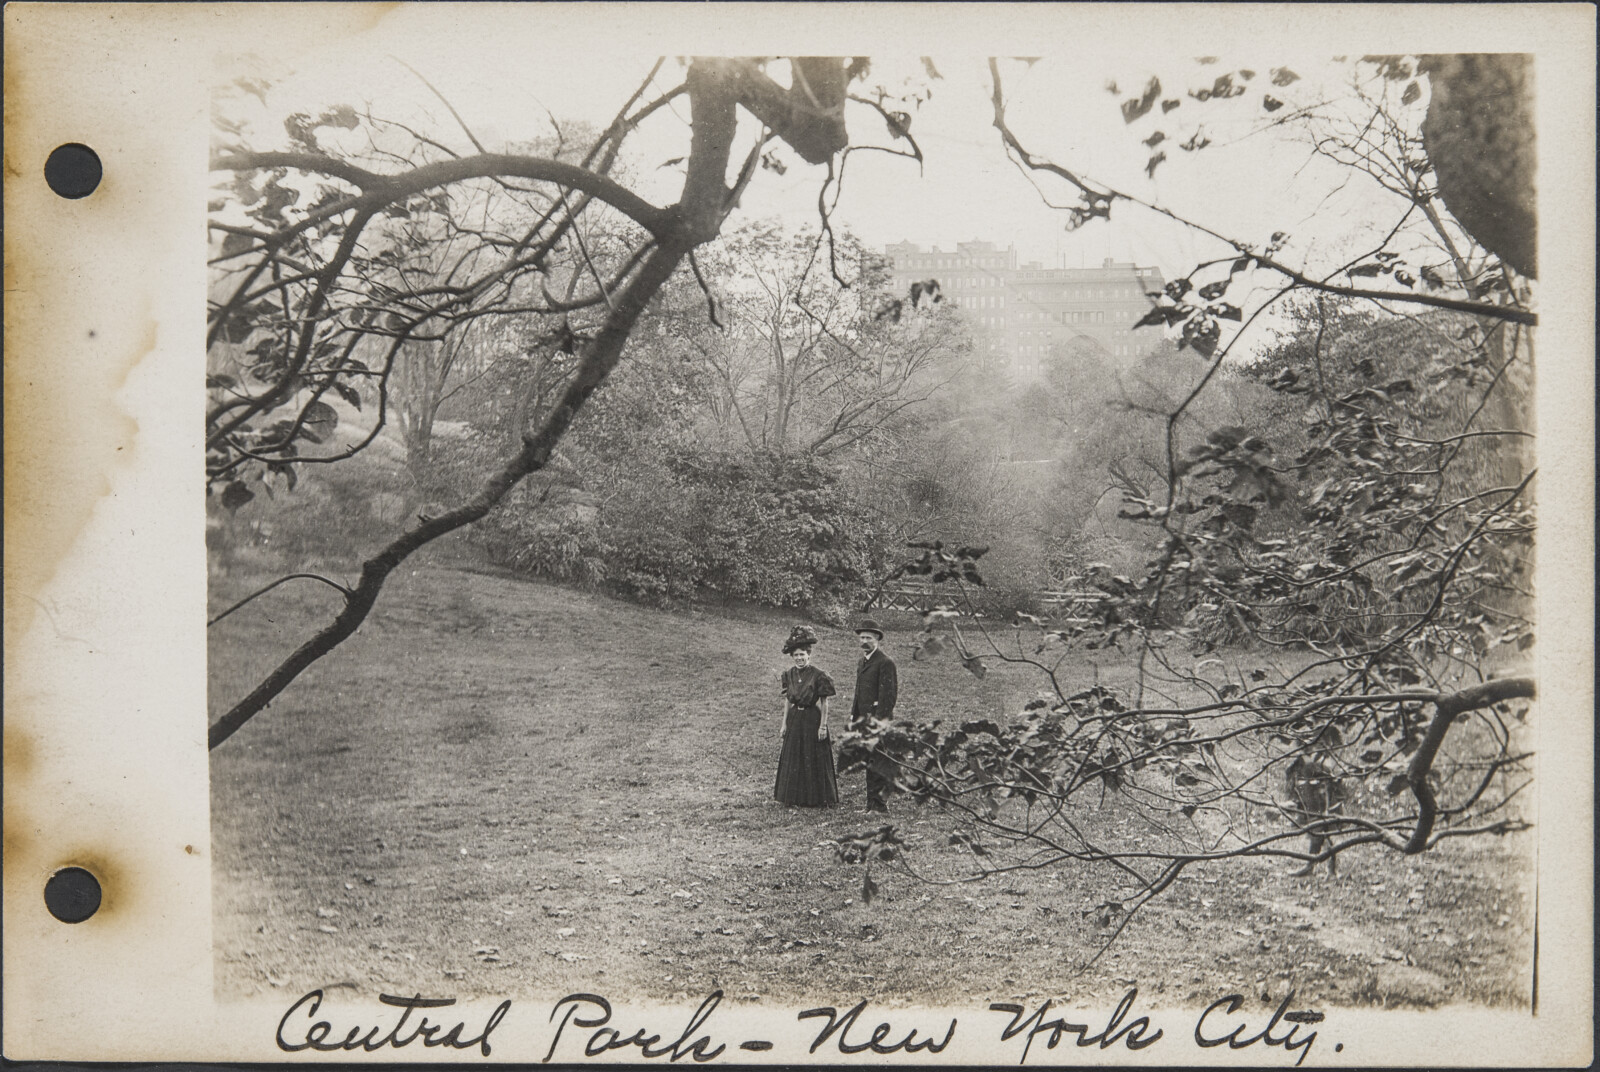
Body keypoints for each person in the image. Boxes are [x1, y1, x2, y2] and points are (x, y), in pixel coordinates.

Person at [773, 625, 839, 808]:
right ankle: (793, 797)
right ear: (792, 657)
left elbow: (825, 702)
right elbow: (787, 700)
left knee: (812, 756)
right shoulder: (789, 675)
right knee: (794, 756)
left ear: (809, 655)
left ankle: (815, 798)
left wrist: (823, 726)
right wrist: (784, 724)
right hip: (795, 718)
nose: (800, 658)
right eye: (796, 655)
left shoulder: (819, 675)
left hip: (812, 719)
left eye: (803, 655)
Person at [848, 618, 898, 813]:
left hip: (878, 722)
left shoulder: (885, 662)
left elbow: (889, 697)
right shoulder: (862, 662)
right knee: (869, 762)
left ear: (877, 638)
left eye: (868, 637)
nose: (864, 641)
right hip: (863, 721)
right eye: (861, 637)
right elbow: (858, 693)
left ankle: (880, 806)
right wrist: (854, 716)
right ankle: (870, 805)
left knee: (879, 762)